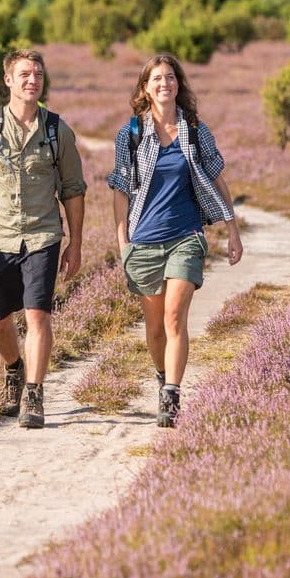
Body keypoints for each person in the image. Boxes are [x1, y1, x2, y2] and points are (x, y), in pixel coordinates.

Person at [0, 49, 87, 429]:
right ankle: (14, 369)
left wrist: (75, 243)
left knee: (38, 314)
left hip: (43, 236)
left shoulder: (56, 130)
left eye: (39, 74)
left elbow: (74, 190)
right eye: (25, 74)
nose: (33, 80)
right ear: (9, 80)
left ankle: (34, 392)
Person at [107, 53, 243, 427]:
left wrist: (232, 230)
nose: (164, 84)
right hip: (144, 240)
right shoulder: (130, 134)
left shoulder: (196, 130)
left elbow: (217, 179)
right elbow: (119, 190)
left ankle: (172, 393)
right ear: (145, 89)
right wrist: (123, 242)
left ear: (178, 85)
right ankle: (161, 375)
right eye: (157, 79)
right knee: (154, 330)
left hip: (186, 236)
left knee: (174, 317)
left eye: (170, 78)